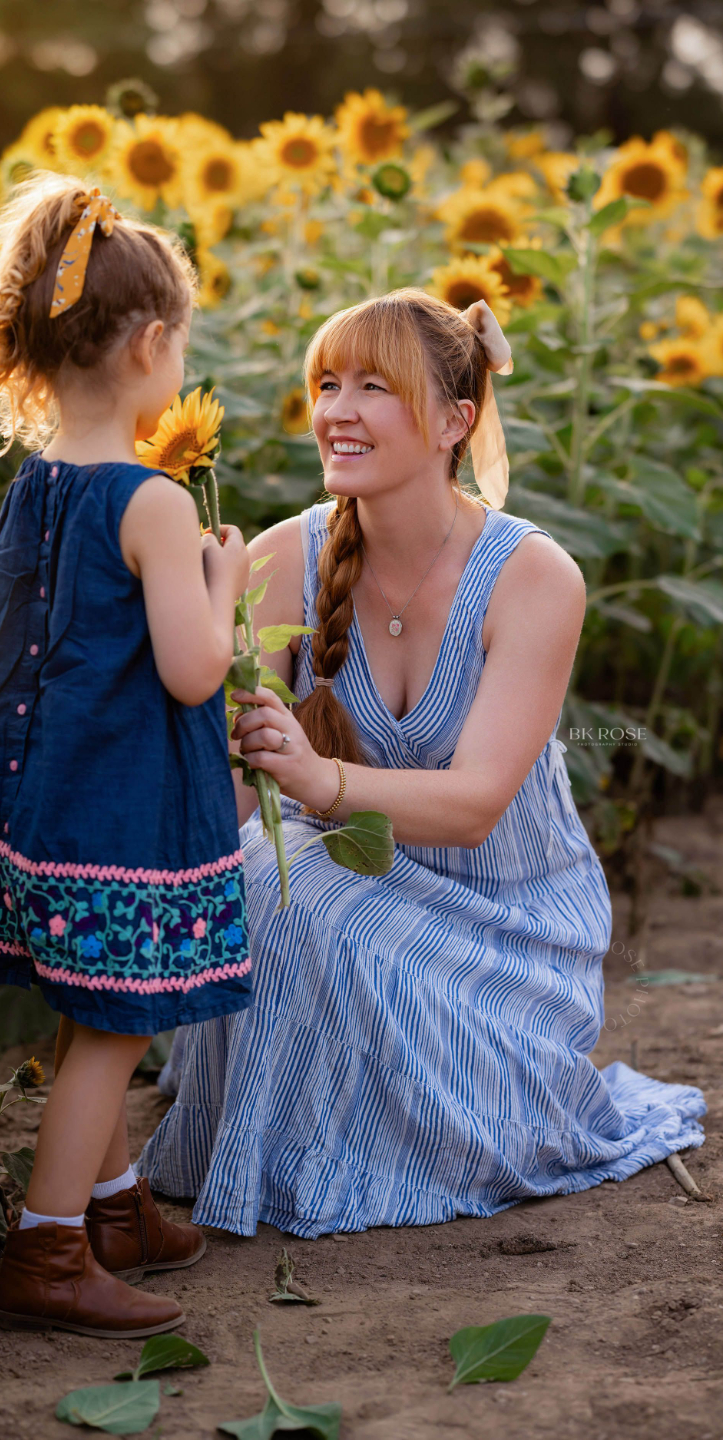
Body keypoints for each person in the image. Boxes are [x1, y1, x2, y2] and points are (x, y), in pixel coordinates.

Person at [138, 287, 706, 1239]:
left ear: (456, 420)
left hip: (503, 932)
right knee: (262, 883)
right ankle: (271, 1137)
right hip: (330, 898)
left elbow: (479, 802)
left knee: (297, 890)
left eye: (374, 387)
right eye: (326, 383)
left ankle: (361, 1148)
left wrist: (320, 782)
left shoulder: (533, 576)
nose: (335, 411)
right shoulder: (285, 557)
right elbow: (235, 803)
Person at [0, 173, 252, 1332]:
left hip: (32, 805)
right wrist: (222, 586)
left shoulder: (35, 486)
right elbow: (189, 669)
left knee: (90, 1004)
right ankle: (48, 1254)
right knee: (118, 1025)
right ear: (153, 346)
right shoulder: (154, 501)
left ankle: (116, 1206)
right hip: (117, 810)